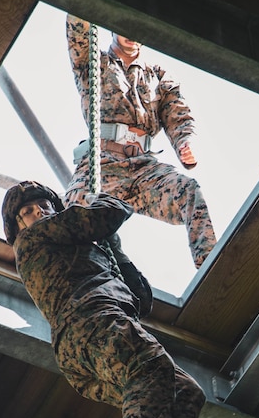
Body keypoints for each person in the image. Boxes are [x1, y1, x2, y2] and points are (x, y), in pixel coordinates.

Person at [1, 180, 206, 418]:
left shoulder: (77, 246)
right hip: (87, 322)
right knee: (148, 364)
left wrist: (114, 249)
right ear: (18, 225)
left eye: (44, 205)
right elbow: (104, 215)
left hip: (89, 338)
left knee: (184, 390)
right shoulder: (35, 239)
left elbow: (140, 299)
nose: (39, 211)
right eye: (28, 211)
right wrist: (106, 200)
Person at [64, 14, 217, 269]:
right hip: (104, 165)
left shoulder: (158, 77)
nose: (131, 33)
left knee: (189, 190)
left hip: (144, 169)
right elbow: (77, 31)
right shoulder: (94, 62)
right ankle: (87, 279)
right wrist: (89, 5)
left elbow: (178, 115)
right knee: (73, 210)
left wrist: (184, 144)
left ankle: (209, 264)